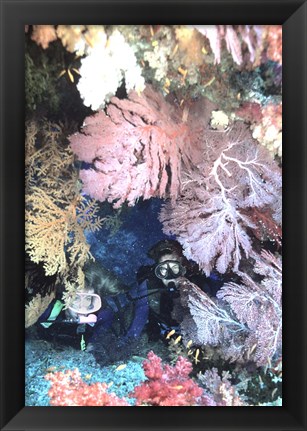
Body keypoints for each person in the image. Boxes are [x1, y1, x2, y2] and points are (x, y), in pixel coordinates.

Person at [34, 261, 149, 362]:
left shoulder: (103, 315)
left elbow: (101, 330)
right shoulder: (48, 310)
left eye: (88, 298)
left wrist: (93, 345)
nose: (82, 307)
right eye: (76, 297)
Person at [136, 239, 223, 340]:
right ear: (158, 272)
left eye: (174, 267)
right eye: (163, 270)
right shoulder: (150, 291)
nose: (170, 275)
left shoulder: (200, 285)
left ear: (182, 267)